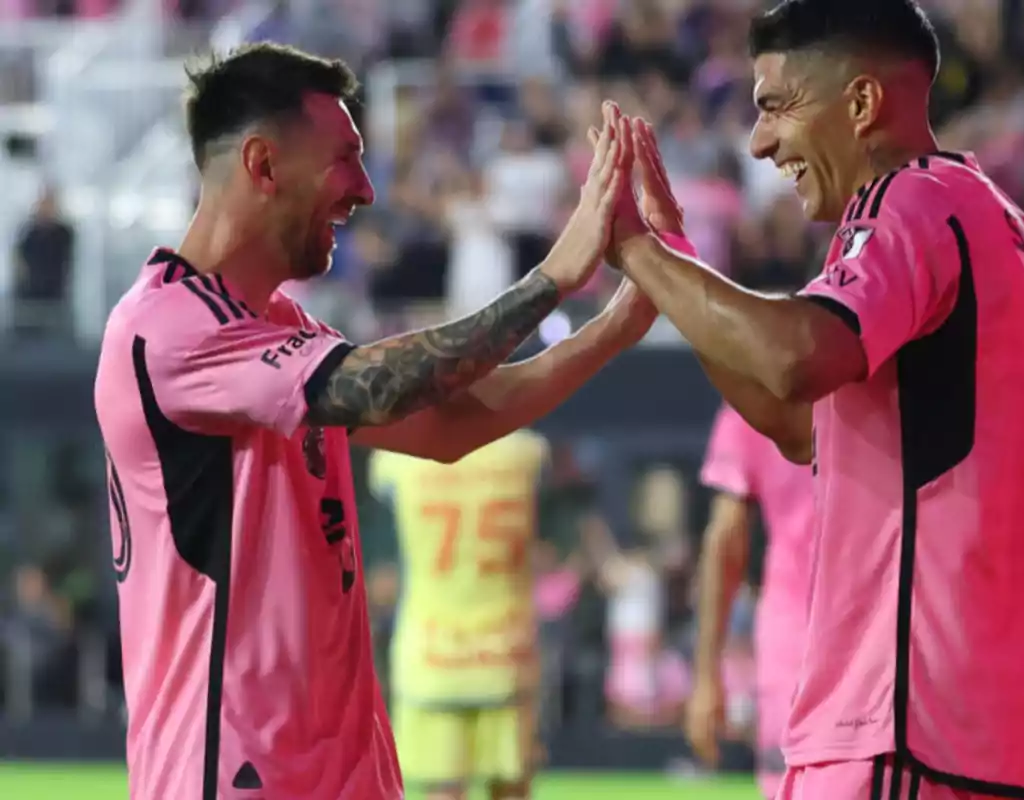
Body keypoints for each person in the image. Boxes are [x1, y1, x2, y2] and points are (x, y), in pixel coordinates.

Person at [93, 42, 655, 800]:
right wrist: (556, 275)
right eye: (345, 159)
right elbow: (388, 389)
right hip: (232, 772)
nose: (364, 190)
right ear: (262, 165)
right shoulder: (166, 327)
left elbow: (450, 423)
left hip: (339, 772)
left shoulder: (279, 326)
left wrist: (618, 324)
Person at [596, 0, 1024, 796]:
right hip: (977, 734)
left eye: (776, 104)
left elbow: (797, 359)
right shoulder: (996, 219)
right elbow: (801, 426)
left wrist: (631, 248)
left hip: (899, 726)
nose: (760, 140)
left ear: (862, 103)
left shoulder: (906, 202)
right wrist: (673, 264)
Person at [368, 428, 549, 800]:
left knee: (444, 790)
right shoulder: (526, 452)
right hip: (506, 652)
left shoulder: (398, 458)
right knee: (512, 785)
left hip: (432, 653)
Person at [686, 404, 815, 799]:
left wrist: (707, 679)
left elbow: (725, 539)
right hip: (882, 640)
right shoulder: (882, 381)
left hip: (791, 649)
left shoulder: (751, 397)